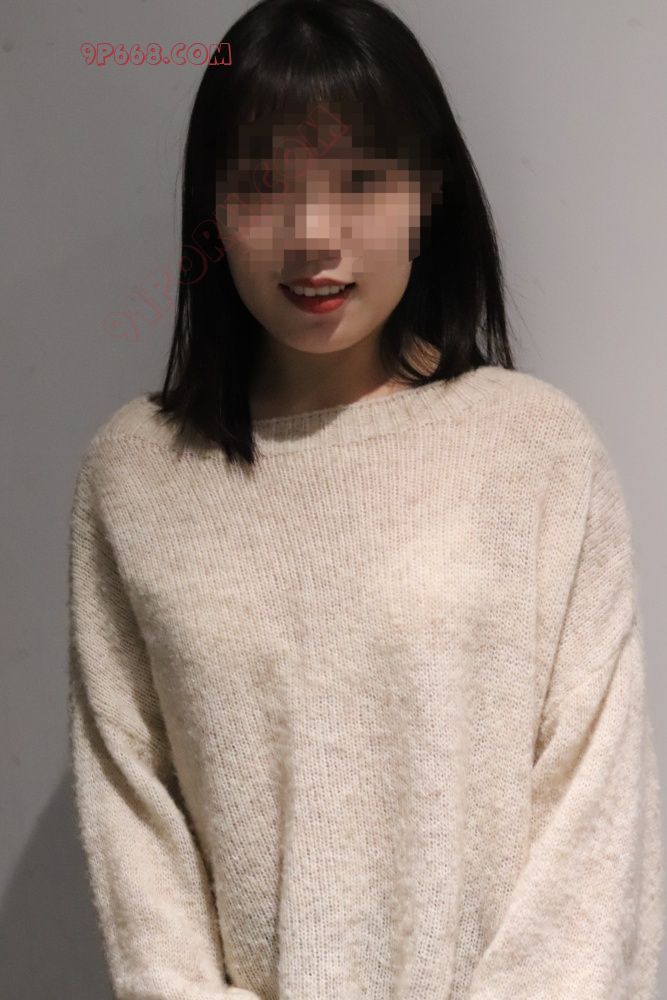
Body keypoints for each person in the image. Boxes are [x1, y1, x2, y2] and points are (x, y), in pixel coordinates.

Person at [66, 0, 664, 998]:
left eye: (361, 181)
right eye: (262, 185)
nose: (312, 236)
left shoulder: (536, 452)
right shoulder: (136, 474)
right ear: (211, 208)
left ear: (430, 190)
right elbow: (135, 830)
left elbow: (594, 835)